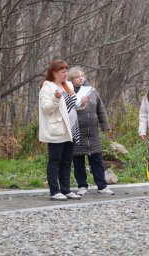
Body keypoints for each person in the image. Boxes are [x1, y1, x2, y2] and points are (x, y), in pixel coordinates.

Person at [38, 59, 89, 201]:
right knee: (55, 161)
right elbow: (46, 108)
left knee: (67, 161)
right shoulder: (47, 88)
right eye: (62, 71)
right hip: (57, 129)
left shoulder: (68, 85)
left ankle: (65, 189)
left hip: (71, 128)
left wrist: (82, 103)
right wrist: (55, 98)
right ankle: (54, 191)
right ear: (54, 72)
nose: (66, 74)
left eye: (66, 71)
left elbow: (73, 105)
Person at [68, 66, 115, 196]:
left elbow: (101, 108)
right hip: (77, 132)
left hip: (93, 133)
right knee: (78, 161)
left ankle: (102, 186)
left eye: (82, 76)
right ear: (71, 79)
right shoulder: (69, 92)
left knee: (97, 160)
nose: (81, 78)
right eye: (77, 77)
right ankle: (82, 185)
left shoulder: (92, 91)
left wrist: (105, 125)